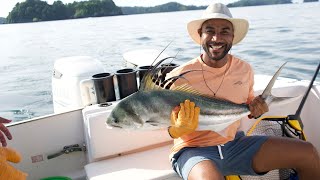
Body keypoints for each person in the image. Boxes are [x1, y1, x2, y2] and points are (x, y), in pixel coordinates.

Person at [166, 3, 320, 180]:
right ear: (200, 35)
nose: (216, 38)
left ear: (232, 37)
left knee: (308, 153)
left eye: (225, 31)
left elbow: (247, 108)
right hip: (193, 151)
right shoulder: (179, 76)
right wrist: (178, 129)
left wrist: (256, 110)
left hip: (235, 145)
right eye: (210, 31)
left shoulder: (244, 70)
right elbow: (166, 125)